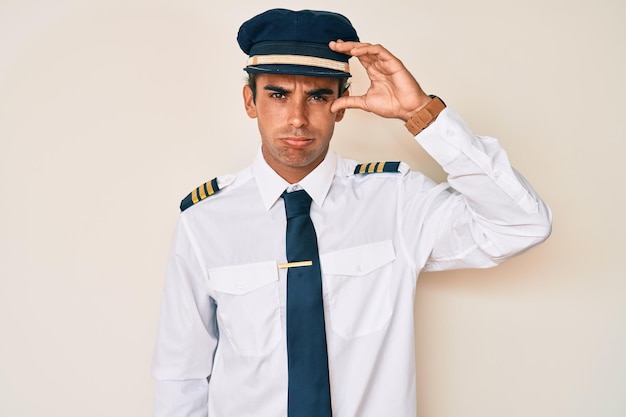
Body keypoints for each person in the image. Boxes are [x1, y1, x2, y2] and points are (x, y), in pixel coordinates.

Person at [151, 8, 552, 417]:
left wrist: (422, 115)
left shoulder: (395, 200)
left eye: (318, 96)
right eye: (277, 94)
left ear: (341, 105)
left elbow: (521, 224)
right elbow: (181, 375)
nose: (297, 118)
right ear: (249, 101)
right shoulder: (204, 221)